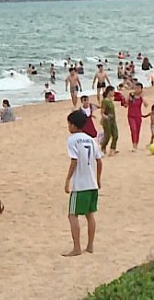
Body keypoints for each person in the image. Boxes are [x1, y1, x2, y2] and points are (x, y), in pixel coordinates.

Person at [63, 110, 103, 257]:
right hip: (92, 183)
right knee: (90, 215)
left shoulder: (72, 140)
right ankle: (90, 245)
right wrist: (98, 179)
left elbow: (74, 160)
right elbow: (99, 161)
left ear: (73, 125)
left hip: (80, 185)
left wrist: (67, 180)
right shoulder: (91, 139)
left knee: (72, 215)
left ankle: (77, 247)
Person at [126, 83, 148, 151]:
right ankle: (134, 145)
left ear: (141, 89)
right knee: (133, 129)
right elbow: (126, 105)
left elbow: (146, 105)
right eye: (135, 88)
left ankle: (136, 144)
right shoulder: (131, 95)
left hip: (138, 116)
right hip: (131, 115)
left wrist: (142, 97)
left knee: (138, 130)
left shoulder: (141, 97)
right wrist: (128, 99)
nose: (136, 89)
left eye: (138, 88)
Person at [100, 86, 119, 156]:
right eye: (113, 91)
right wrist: (106, 117)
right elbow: (102, 112)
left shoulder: (111, 100)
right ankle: (103, 147)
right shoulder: (104, 101)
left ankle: (112, 149)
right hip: (107, 121)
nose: (114, 93)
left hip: (113, 120)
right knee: (107, 136)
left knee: (115, 135)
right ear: (109, 92)